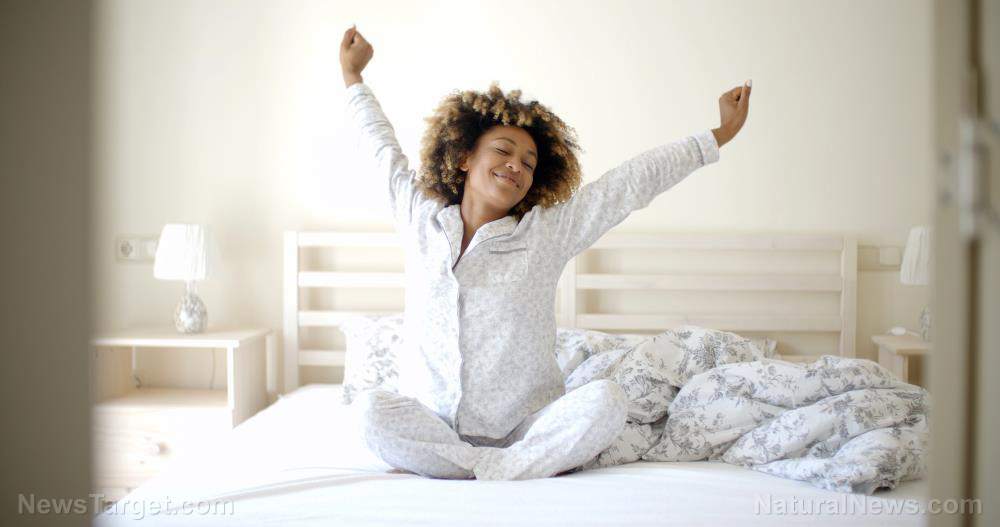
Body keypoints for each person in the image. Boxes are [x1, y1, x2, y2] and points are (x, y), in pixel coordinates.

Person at [339, 24, 751, 480]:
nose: (515, 165)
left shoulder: (546, 234)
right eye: (503, 150)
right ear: (464, 157)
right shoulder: (419, 217)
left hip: (526, 429)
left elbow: (629, 184)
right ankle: (498, 470)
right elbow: (379, 148)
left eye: (529, 163)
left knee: (607, 401)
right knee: (368, 411)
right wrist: (353, 76)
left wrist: (716, 136)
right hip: (432, 425)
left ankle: (473, 467)